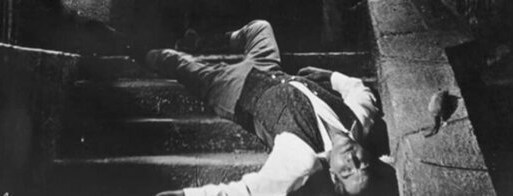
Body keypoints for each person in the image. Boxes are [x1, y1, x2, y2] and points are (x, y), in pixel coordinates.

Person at [145, 20, 393, 196]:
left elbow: (251, 191)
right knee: (261, 27)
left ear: (334, 177)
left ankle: (141, 52)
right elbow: (358, 90)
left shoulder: (301, 158)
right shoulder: (359, 120)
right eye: (363, 165)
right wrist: (331, 76)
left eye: (347, 172)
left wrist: (185, 195)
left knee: (176, 63)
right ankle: (200, 42)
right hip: (270, 69)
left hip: (236, 90)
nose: (352, 159)